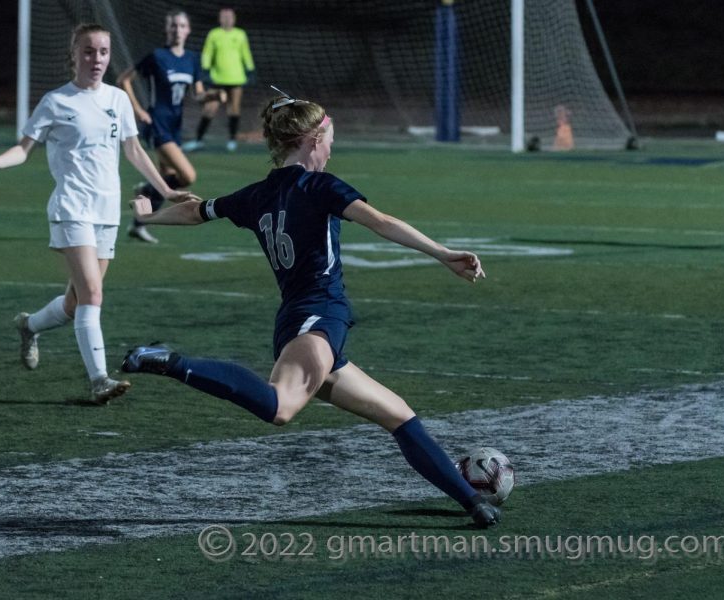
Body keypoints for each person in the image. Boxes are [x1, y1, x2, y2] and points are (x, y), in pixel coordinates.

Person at [123, 91, 501, 528]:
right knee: (281, 407)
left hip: (302, 320)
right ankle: (171, 361)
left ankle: (474, 502)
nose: (331, 149)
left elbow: (195, 212)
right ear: (311, 139)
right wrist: (442, 252)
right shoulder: (319, 185)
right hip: (318, 315)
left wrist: (148, 218)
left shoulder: (256, 194)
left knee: (398, 415)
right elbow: (381, 221)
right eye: (329, 140)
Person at [0, 24, 191, 404]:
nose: (97, 59)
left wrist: (168, 190)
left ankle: (29, 326)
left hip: (107, 210)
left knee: (77, 303)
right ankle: (99, 381)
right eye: (89, 51)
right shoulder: (56, 101)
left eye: (104, 52)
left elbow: (135, 152)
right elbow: (24, 149)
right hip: (72, 208)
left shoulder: (118, 99)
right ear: (73, 55)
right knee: (93, 292)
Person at [117, 9, 226, 244]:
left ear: (188, 30)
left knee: (167, 179)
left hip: (174, 127)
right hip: (156, 124)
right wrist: (138, 110)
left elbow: (197, 95)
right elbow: (123, 79)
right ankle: (145, 191)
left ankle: (139, 221)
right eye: (173, 26)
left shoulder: (191, 60)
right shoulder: (156, 56)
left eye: (182, 26)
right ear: (167, 30)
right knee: (187, 175)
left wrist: (213, 95)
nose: (177, 30)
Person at [182, 7, 255, 153]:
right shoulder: (214, 34)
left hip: (236, 79)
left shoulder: (240, 34)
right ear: (220, 19)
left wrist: (250, 69)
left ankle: (232, 140)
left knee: (234, 110)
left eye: (230, 16)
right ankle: (198, 140)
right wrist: (206, 69)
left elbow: (245, 52)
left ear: (234, 18)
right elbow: (207, 53)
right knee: (210, 109)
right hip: (218, 79)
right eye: (224, 16)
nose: (227, 19)